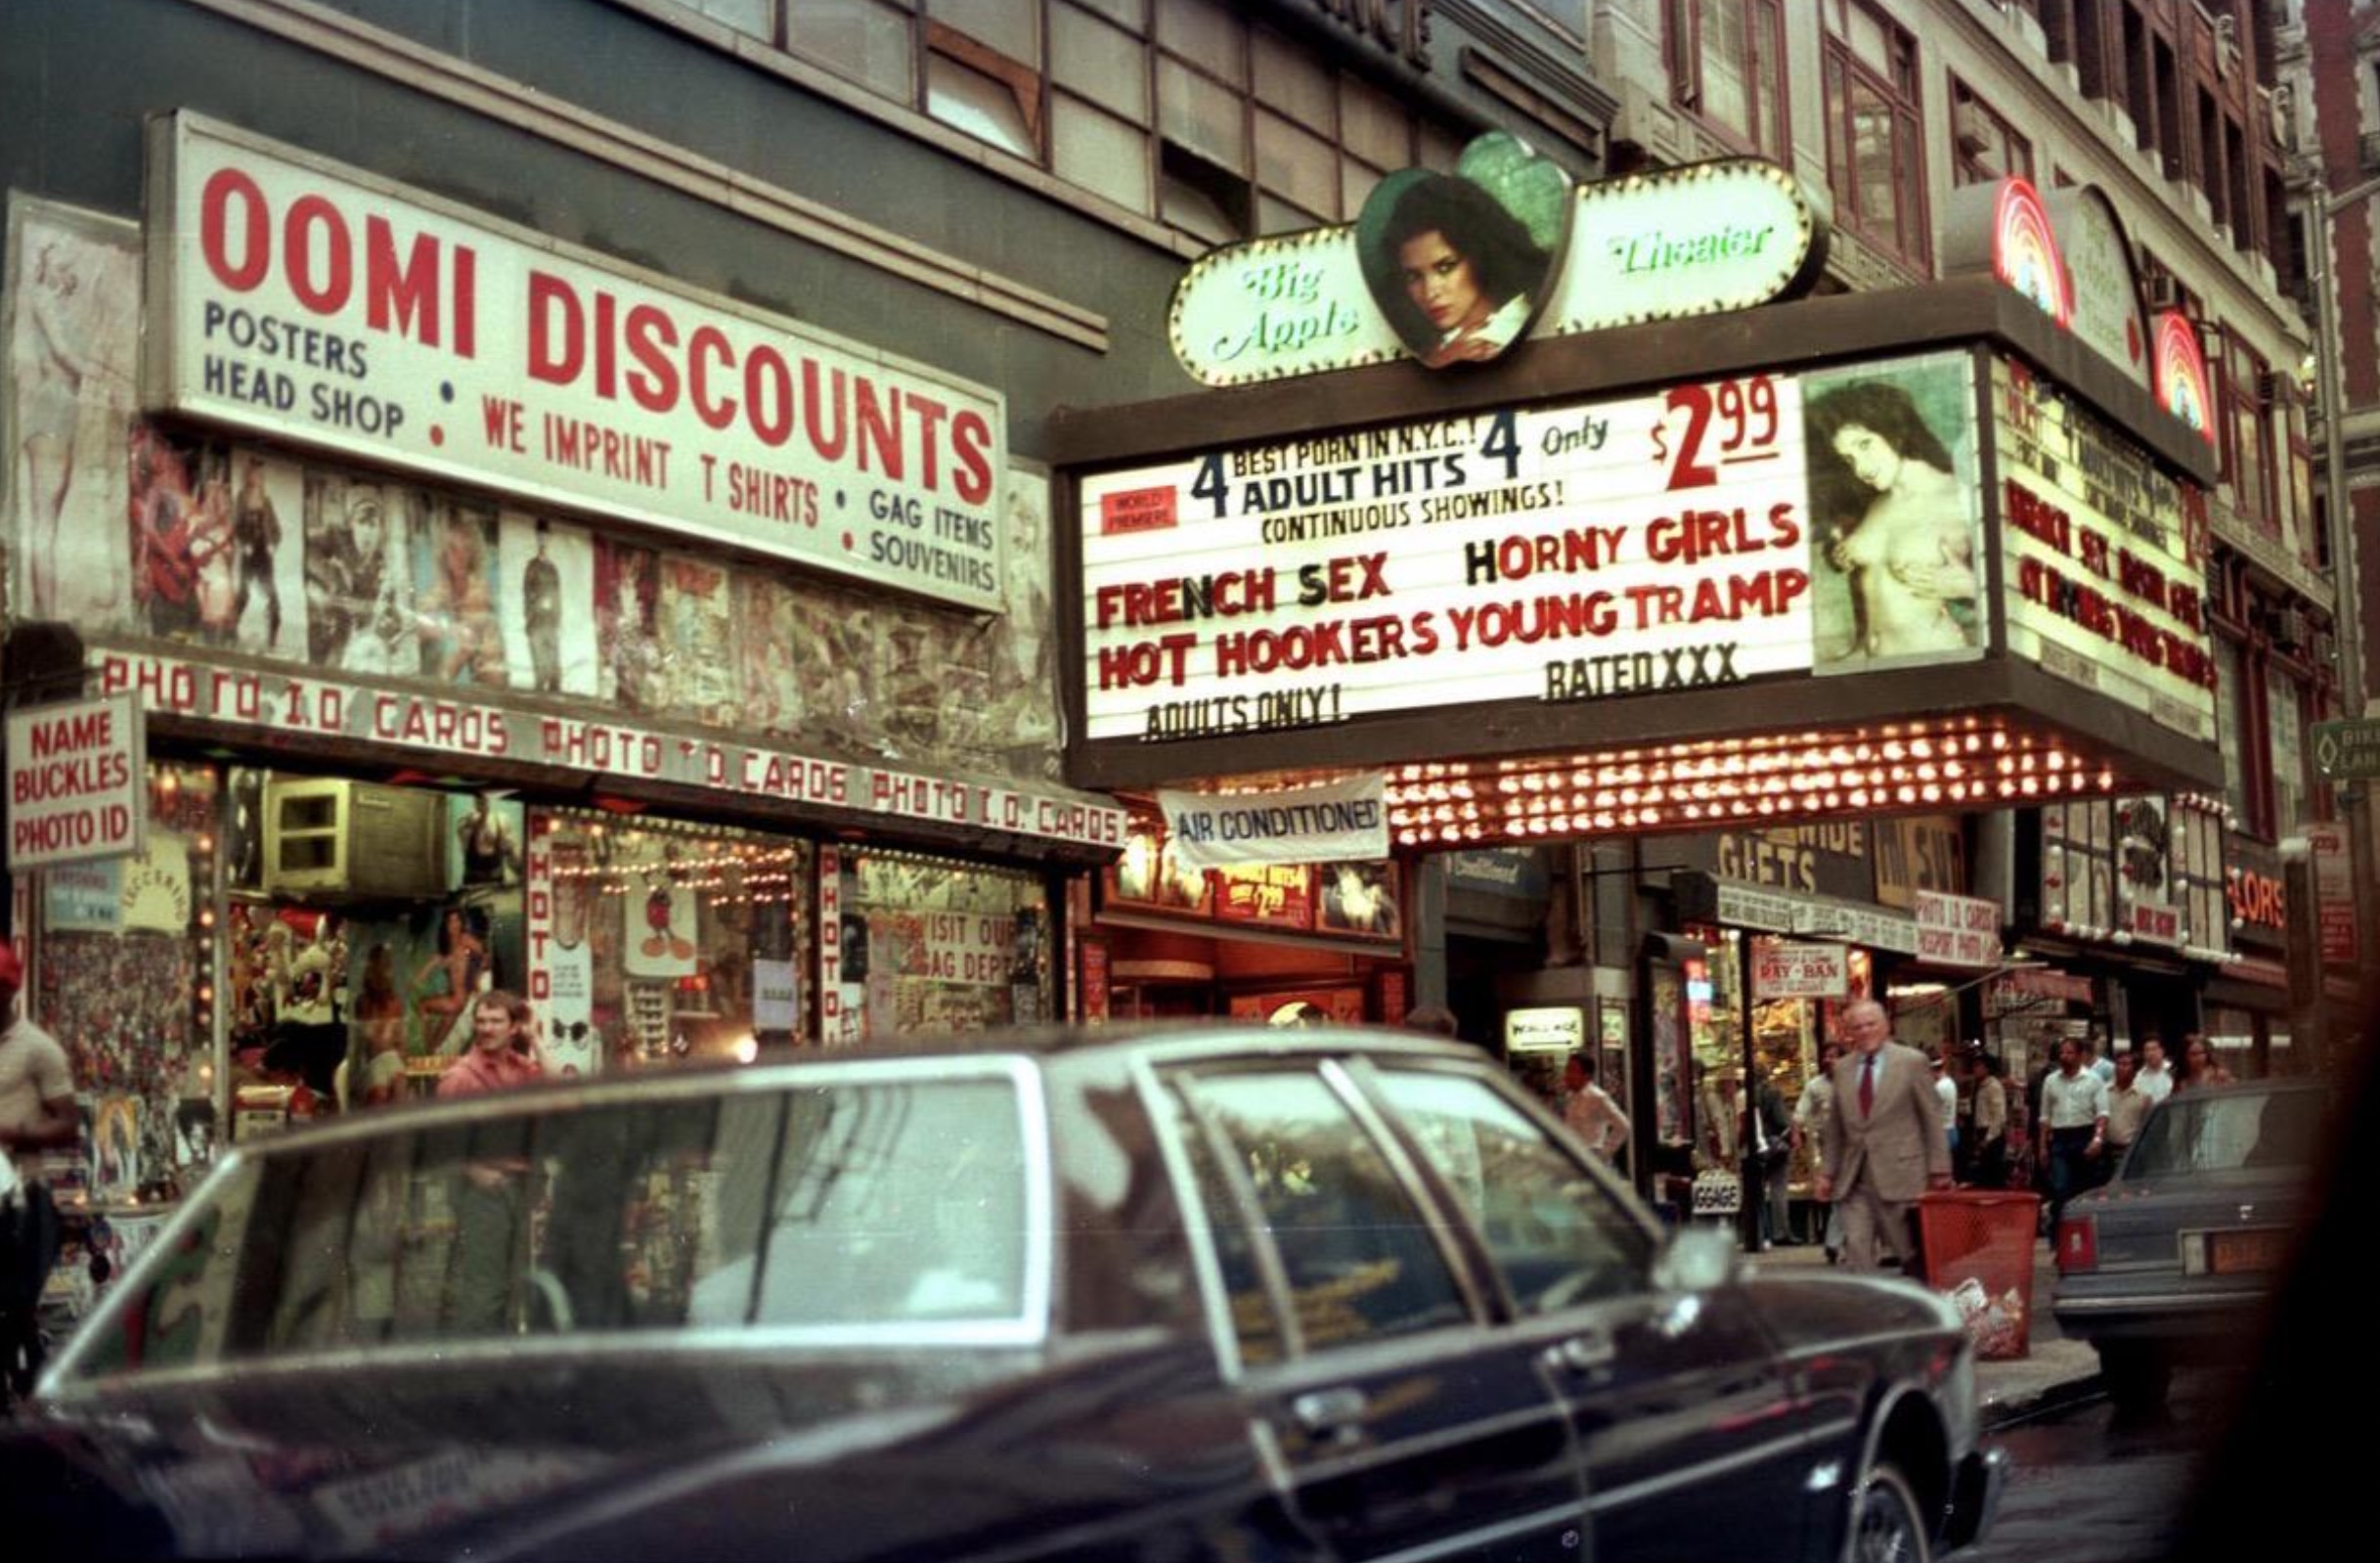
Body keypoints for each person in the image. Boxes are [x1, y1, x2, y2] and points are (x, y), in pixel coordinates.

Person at [1806, 380, 1978, 664]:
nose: (1861, 468)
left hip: (1931, 668)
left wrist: (1972, 587)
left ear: (1895, 431)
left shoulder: (1959, 497)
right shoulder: (1876, 502)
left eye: (1865, 445)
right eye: (1849, 458)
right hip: (1871, 665)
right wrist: (1845, 554)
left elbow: (2021, 598)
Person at [436, 991, 546, 1332]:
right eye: (481, 1021)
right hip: (484, 1192)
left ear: (513, 1028)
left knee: (516, 1286)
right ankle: (474, 1369)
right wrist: (475, 1171)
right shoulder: (461, 1077)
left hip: (522, 1186)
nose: (486, 1028)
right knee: (485, 1290)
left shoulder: (521, 1068)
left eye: (496, 1021)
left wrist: (537, 1040)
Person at [1818, 1000, 1950, 1275]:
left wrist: (1940, 1169)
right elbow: (1836, 1128)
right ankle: (1867, 1307)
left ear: (1886, 1025)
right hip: (1855, 1178)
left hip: (1901, 1175)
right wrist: (1827, 1174)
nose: (1865, 1031)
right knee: (1857, 1246)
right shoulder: (1842, 1069)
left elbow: (1932, 1119)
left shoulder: (1911, 1062)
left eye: (1871, 1024)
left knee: (1910, 1252)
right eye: (1857, 1027)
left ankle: (1924, 1303)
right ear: (1849, 1033)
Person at [0, 944, 78, 1406]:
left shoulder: (37, 1050)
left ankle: (34, 1392)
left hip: (21, 1200)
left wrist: (13, 1132)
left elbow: (68, 1123)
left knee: (14, 1307)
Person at [1375, 173, 1548, 369]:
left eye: (1445, 267)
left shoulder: (1525, 325)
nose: (1430, 292)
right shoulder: (1434, 351)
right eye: (1414, 276)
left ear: (1482, 255)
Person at [2036, 1035, 2110, 1234]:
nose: (2064, 1056)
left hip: (2084, 1135)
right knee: (2060, 1188)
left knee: (2085, 1190)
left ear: (2080, 1055)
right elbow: (2045, 1116)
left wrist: (2097, 1138)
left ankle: (2086, 1235)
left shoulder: (2094, 1079)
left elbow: (2102, 1113)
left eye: (2069, 1052)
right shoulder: (2051, 1081)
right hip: (2060, 1138)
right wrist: (2042, 1146)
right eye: (2062, 1052)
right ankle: (2059, 1237)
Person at [1791, 1042, 1844, 1258]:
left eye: (1834, 1056)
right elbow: (1800, 1111)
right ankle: (1835, 1241)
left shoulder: (1853, 1081)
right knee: (1842, 1192)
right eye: (1827, 1056)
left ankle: (1838, 1240)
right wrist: (1796, 1132)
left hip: (1856, 1144)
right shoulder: (1815, 1086)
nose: (1829, 1060)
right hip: (1831, 1146)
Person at [417, 907, 490, 1056]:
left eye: (457, 921)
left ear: (461, 923)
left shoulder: (464, 940)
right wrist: (428, 970)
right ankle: (430, 1052)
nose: (454, 925)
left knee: (423, 1006)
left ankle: (426, 1048)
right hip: (454, 998)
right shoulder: (446, 950)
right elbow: (421, 977)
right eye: (450, 921)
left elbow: (484, 956)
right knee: (438, 1039)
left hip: (458, 999)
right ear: (445, 924)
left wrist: (476, 979)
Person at [229, 454, 283, 648]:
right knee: (244, 595)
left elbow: (277, 530)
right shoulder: (242, 498)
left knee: (273, 597)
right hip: (249, 554)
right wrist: (244, 544)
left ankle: (272, 640)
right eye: (253, 474)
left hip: (264, 555)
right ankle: (230, 632)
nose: (257, 478)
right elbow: (235, 526)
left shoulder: (266, 502)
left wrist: (272, 544)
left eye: (260, 474)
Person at [353, 944, 409, 1108]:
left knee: (399, 1083)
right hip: (372, 1063)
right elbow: (370, 1040)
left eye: (389, 967)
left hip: (393, 1060)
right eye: (385, 966)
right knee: (380, 1093)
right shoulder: (363, 1003)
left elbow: (400, 1041)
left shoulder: (395, 1002)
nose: (390, 973)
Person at [1563, 1052, 1630, 1162]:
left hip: (1590, 1154)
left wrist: (1603, 1154)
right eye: (1567, 1069)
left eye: (1573, 1070)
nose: (1567, 1075)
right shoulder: (1570, 1097)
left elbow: (1623, 1126)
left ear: (1586, 1075)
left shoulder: (1597, 1097)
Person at [523, 519, 563, 693]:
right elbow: (526, 591)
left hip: (551, 621)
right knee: (540, 664)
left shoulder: (553, 568)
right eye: (540, 536)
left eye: (545, 536)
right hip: (537, 619)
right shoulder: (532, 566)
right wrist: (532, 610)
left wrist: (557, 616)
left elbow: (557, 593)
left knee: (553, 662)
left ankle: (554, 690)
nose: (543, 540)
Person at [457, 792, 521, 887]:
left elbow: (511, 854)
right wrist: (479, 821)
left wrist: (521, 874)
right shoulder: (465, 824)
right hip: (473, 885)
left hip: (496, 884)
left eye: (484, 800)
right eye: (479, 800)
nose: (481, 802)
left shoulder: (501, 821)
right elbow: (465, 831)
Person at [2102, 1050, 2152, 1171]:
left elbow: (2147, 1125)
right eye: (2118, 1064)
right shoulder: (2103, 1091)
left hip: (2130, 1150)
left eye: (2125, 1064)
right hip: (2107, 1150)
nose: (2121, 1068)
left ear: (2134, 1070)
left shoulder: (2144, 1095)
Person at [1968, 1053, 2010, 1189]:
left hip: (1992, 1133)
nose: (1975, 1069)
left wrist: (1989, 1137)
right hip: (1982, 1130)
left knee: (1993, 1173)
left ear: (1987, 1068)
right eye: (1974, 1066)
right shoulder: (1980, 1085)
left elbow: (1999, 1115)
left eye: (1979, 1066)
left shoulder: (1993, 1086)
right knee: (1984, 1172)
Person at [2135, 1036, 2176, 1105]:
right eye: (2147, 1050)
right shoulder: (2139, 1077)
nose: (2151, 1053)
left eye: (2154, 1049)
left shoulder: (2173, 1071)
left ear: (2162, 1051)